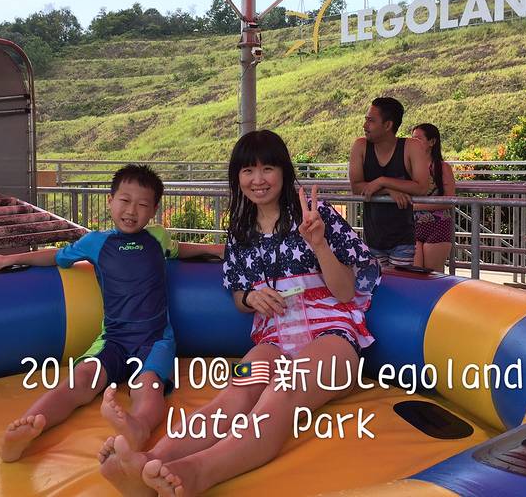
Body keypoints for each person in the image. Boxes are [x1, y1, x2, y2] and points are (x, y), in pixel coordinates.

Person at [98, 130, 380, 497]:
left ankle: (197, 473)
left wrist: (320, 244)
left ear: (284, 171)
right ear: (238, 177)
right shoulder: (241, 232)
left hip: (333, 337)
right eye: (248, 170)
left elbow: (345, 292)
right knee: (233, 396)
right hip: (275, 339)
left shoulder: (316, 216)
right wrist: (251, 298)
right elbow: (237, 295)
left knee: (282, 391)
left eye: (268, 168)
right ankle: (148, 462)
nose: (258, 179)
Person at [0, 164, 223, 462]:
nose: (131, 210)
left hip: (155, 340)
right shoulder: (96, 242)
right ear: (110, 200)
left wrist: (216, 249)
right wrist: (7, 260)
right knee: (79, 380)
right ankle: (29, 426)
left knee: (149, 387)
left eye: (142, 204)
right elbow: (56, 256)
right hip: (113, 341)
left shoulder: (158, 237)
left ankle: (138, 427)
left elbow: (180, 249)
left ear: (154, 210)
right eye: (125, 200)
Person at [349, 96, 429, 268]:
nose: (365, 125)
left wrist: (382, 181)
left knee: (399, 282)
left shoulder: (411, 146)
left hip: (403, 239)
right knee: (377, 283)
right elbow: (356, 187)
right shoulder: (360, 146)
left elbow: (422, 187)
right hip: (372, 239)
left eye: (371, 121)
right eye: (366, 120)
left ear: (388, 125)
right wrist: (388, 189)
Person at [411, 124, 456, 272]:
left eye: (418, 139)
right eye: (412, 139)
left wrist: (415, 206)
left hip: (438, 225)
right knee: (414, 274)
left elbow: (449, 200)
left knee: (433, 275)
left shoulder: (442, 168)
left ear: (432, 142)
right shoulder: (408, 167)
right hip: (411, 226)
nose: (414, 143)